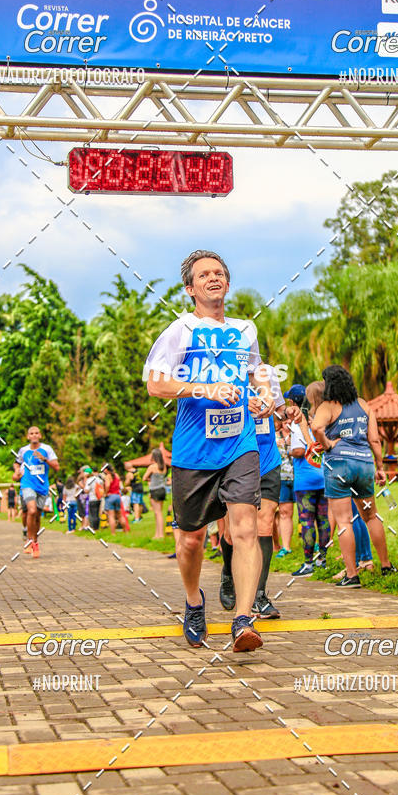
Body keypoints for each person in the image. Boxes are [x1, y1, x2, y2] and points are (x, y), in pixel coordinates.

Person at [145, 249, 274, 652]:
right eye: (204, 275)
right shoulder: (181, 330)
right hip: (193, 451)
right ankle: (194, 601)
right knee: (191, 540)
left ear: (227, 283)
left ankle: (243, 619)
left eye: (219, 273)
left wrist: (263, 397)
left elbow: (259, 374)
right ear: (190, 288)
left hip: (240, 443)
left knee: (245, 529)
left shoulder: (245, 330)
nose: (213, 278)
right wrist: (205, 389)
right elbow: (155, 384)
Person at [311, 365, 396, 589]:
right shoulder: (363, 404)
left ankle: (352, 574)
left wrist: (327, 443)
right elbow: (375, 440)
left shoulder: (328, 406)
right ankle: (386, 565)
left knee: (344, 520)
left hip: (339, 466)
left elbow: (316, 427)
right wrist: (379, 467)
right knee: (371, 516)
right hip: (364, 464)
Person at [220, 364, 288, 619]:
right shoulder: (222, 371)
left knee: (265, 524)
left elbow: (279, 411)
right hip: (236, 456)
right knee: (232, 531)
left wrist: (286, 412)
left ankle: (259, 594)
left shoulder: (267, 373)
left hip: (267, 457)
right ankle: (228, 574)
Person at [284, 384, 329, 577]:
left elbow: (300, 451)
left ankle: (308, 563)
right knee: (323, 520)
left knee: (307, 521)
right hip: (323, 477)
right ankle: (323, 559)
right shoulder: (323, 419)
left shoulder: (297, 422)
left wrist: (287, 448)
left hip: (305, 480)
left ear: (293, 402)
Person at [13, 426, 59, 558]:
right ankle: (29, 539)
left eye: (36, 433)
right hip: (27, 484)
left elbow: (56, 467)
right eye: (31, 433)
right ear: (28, 436)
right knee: (31, 511)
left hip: (42, 487)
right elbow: (16, 463)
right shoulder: (23, 450)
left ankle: (35, 542)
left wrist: (45, 460)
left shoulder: (47, 449)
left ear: (40, 435)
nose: (34, 435)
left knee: (37, 516)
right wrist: (17, 470)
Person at [274, 425, 294, 557]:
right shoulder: (276, 436)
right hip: (282, 477)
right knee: (284, 513)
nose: (288, 423)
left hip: (301, 477)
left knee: (308, 512)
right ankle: (285, 547)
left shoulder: (300, 433)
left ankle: (316, 545)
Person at [143, 449, 168, 539]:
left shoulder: (152, 467)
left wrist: (150, 480)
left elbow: (144, 478)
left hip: (155, 490)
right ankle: (158, 534)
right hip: (162, 489)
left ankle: (159, 534)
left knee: (157, 513)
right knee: (159, 512)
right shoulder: (164, 466)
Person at [104, 465, 129, 534]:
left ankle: (113, 533)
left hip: (110, 496)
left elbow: (107, 485)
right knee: (120, 515)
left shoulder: (107, 476)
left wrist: (106, 493)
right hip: (117, 496)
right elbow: (119, 484)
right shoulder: (116, 475)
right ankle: (126, 531)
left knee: (111, 516)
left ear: (106, 470)